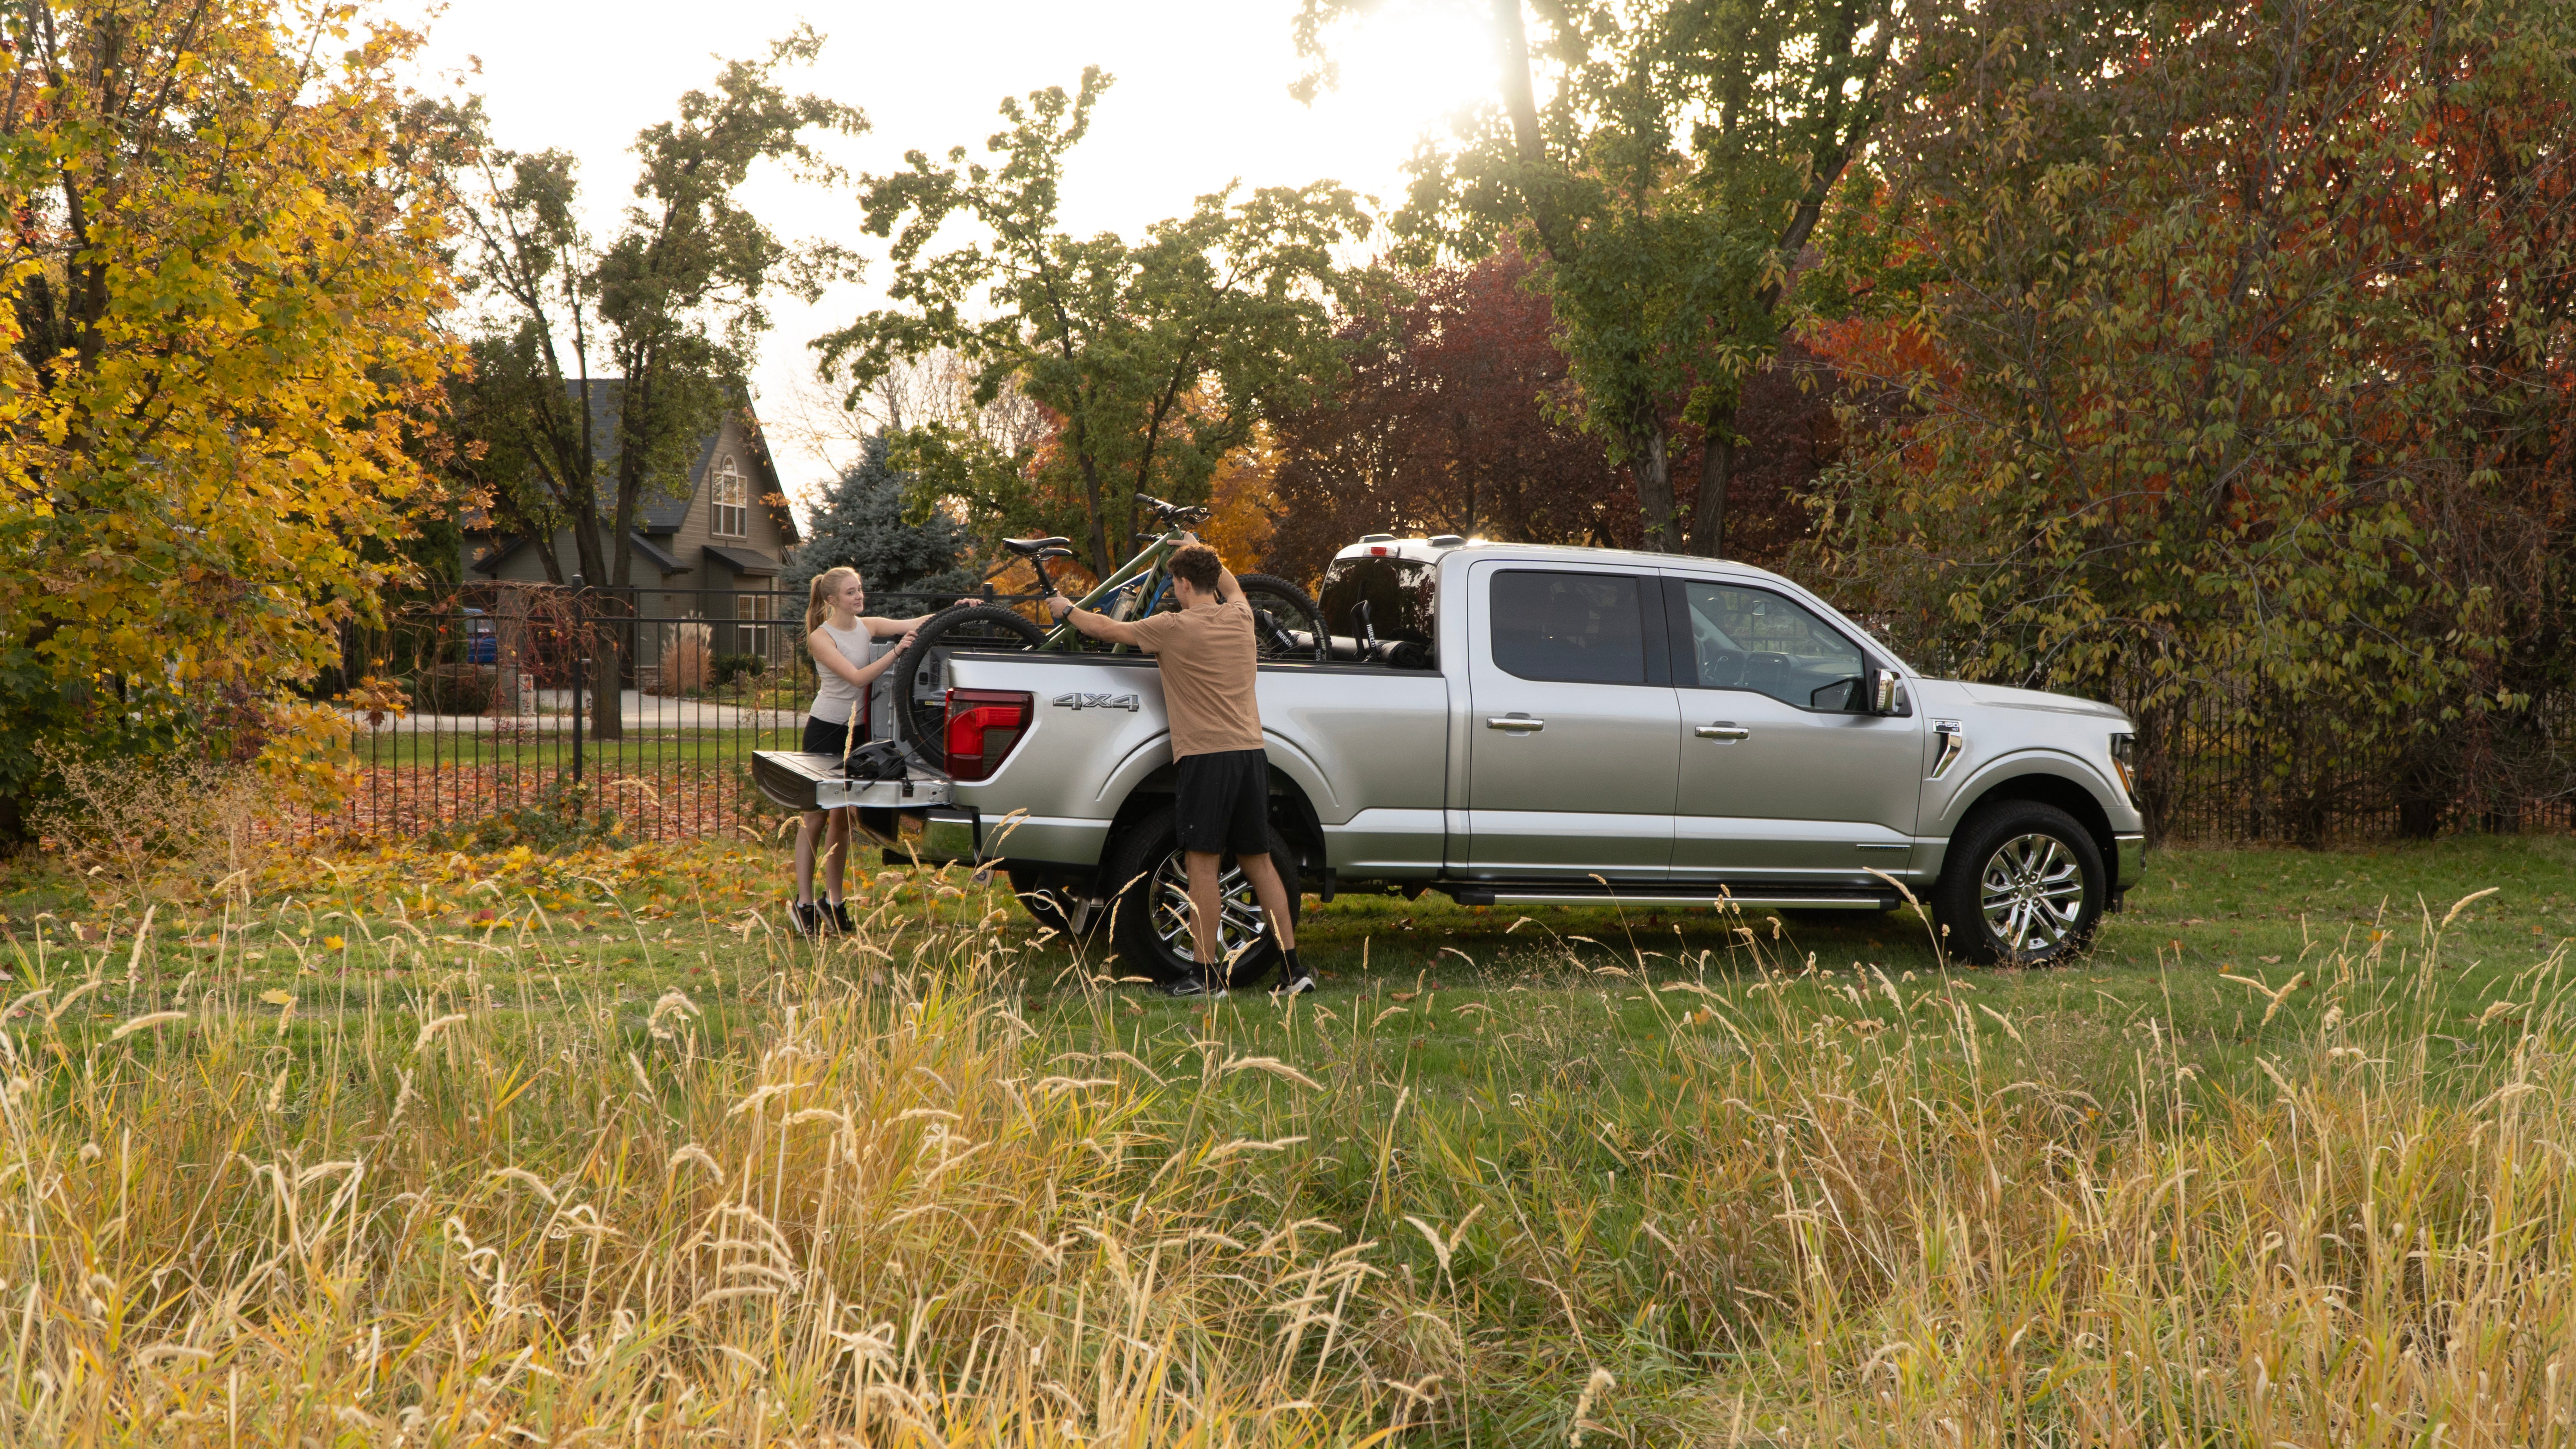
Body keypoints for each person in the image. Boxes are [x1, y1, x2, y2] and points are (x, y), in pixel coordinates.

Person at [1047, 541, 1311, 997]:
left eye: (1175, 582)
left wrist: (1066, 609)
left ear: (1185, 584)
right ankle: (1293, 970)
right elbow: (1230, 585)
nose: (1175, 589)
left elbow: (1107, 628)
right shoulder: (1241, 617)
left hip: (1207, 759)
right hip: (1251, 755)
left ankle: (1206, 977)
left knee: (1202, 866)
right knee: (1261, 862)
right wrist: (1199, 548)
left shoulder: (1172, 627)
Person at [794, 566, 922, 936]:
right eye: (851, 592)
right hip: (826, 732)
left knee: (843, 818)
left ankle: (832, 903)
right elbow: (857, 677)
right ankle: (803, 904)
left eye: (860, 589)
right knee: (815, 818)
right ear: (832, 600)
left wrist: (963, 605)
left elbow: (913, 620)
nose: (859, 596)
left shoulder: (867, 626)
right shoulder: (822, 637)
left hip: (860, 731)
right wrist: (898, 651)